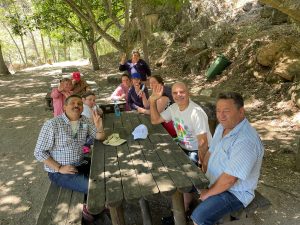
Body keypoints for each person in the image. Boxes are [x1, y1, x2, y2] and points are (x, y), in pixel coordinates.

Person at [191, 92, 264, 225]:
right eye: (218, 111)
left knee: (199, 217)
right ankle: (178, 213)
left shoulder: (246, 140)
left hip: (234, 192)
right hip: (215, 182)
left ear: (241, 112)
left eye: (226, 111)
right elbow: (210, 152)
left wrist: (208, 193)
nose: (221, 116)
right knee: (185, 182)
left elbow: (230, 180)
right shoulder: (222, 127)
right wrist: (203, 173)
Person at [149, 82, 212, 213]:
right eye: (175, 93)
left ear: (188, 92)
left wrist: (202, 164)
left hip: (200, 152)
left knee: (200, 182)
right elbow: (155, 120)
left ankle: (210, 211)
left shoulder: (196, 112)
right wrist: (152, 101)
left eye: (182, 92)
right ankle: (186, 204)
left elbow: (203, 143)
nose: (178, 95)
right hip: (184, 149)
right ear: (171, 95)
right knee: (181, 178)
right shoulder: (174, 108)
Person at [34, 94, 105, 194]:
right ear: (64, 107)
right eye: (72, 103)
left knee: (105, 172)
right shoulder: (52, 124)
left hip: (80, 162)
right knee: (94, 188)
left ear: (82, 108)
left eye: (79, 104)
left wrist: (99, 126)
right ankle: (88, 208)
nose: (76, 105)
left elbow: (100, 137)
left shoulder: (84, 120)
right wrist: (59, 168)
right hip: (60, 172)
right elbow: (39, 152)